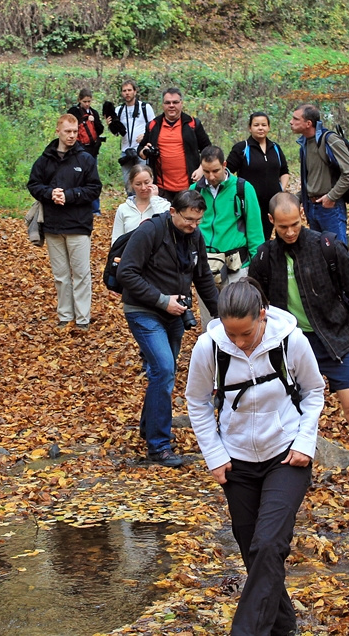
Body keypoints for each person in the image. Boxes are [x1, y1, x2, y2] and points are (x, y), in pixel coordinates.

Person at [249, 192, 349, 529]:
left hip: (336, 340)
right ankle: (279, 493)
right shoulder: (263, 257)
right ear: (271, 222)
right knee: (285, 416)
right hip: (290, 346)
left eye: (295, 224)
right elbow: (253, 307)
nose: (290, 232)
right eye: (283, 227)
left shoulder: (327, 246)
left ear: (303, 214)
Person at [185, 278, 325, 636]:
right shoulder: (209, 348)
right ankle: (284, 628)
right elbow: (197, 402)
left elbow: (313, 392)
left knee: (268, 544)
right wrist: (214, 455)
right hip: (237, 461)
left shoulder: (292, 341)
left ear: (262, 316)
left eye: (246, 334)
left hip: (286, 456)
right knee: (254, 552)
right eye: (232, 335)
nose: (239, 343)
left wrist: (305, 443)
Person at [117, 190, 218, 466]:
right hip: (144, 311)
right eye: (188, 219)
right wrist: (162, 301)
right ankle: (159, 447)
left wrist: (223, 316)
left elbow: (203, 277)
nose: (193, 225)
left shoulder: (194, 236)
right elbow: (125, 272)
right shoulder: (149, 231)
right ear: (173, 211)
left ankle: (149, 428)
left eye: (198, 220)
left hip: (176, 314)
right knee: (163, 369)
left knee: (163, 372)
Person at [28, 114, 102, 330]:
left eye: (74, 131)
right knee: (61, 275)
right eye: (67, 131)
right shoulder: (45, 159)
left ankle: (82, 319)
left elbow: (94, 188)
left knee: (81, 273)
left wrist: (70, 195)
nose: (72, 135)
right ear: (58, 131)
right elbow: (33, 184)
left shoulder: (85, 159)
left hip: (78, 224)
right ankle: (65, 315)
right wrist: (50, 193)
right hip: (52, 225)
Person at [193, 145, 265, 331]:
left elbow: (255, 231)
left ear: (225, 165)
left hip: (236, 266)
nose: (210, 176)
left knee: (238, 318)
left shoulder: (242, 188)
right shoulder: (195, 190)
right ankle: (215, 358)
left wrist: (257, 267)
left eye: (215, 171)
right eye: (206, 171)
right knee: (210, 324)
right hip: (205, 266)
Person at [289, 103, 349, 245]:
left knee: (338, 253)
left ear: (308, 123)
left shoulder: (329, 140)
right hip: (312, 208)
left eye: (296, 119)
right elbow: (313, 179)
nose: (291, 122)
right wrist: (296, 199)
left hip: (330, 208)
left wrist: (331, 197)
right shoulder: (305, 145)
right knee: (321, 254)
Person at [139, 88, 211, 203]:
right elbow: (141, 149)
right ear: (163, 105)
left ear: (181, 103)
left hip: (189, 186)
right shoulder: (153, 125)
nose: (171, 106)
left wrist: (201, 169)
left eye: (175, 102)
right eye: (167, 102)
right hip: (161, 188)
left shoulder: (192, 124)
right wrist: (144, 152)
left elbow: (208, 149)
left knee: (189, 219)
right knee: (165, 219)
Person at [226, 111, 291, 235]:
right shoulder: (242, 148)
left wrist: (281, 188)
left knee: (268, 234)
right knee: (252, 235)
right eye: (256, 125)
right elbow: (227, 172)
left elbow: (284, 171)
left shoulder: (275, 148)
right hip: (249, 202)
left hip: (272, 203)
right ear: (250, 128)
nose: (260, 128)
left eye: (264, 125)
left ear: (269, 127)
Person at [108, 79, 156, 191]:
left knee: (144, 183)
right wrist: (111, 125)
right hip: (126, 151)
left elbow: (154, 128)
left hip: (141, 151)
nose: (127, 93)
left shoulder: (145, 108)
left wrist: (145, 136)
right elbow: (116, 133)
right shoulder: (119, 110)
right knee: (128, 184)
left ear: (135, 91)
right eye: (124, 91)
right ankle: (131, 205)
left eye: (129, 90)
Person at [67, 88, 105, 216]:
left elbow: (100, 130)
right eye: (84, 101)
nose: (87, 104)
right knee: (76, 177)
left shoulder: (94, 112)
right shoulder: (73, 112)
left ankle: (95, 209)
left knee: (92, 178)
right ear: (79, 100)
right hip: (78, 149)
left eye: (89, 101)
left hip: (92, 150)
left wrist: (93, 121)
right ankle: (76, 205)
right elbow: (69, 126)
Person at [111, 165, 171, 243]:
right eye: (138, 184)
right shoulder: (123, 208)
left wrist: (154, 200)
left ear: (152, 180)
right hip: (130, 253)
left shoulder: (164, 205)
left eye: (146, 183)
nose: (143, 188)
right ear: (132, 184)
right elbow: (116, 239)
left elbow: (166, 230)